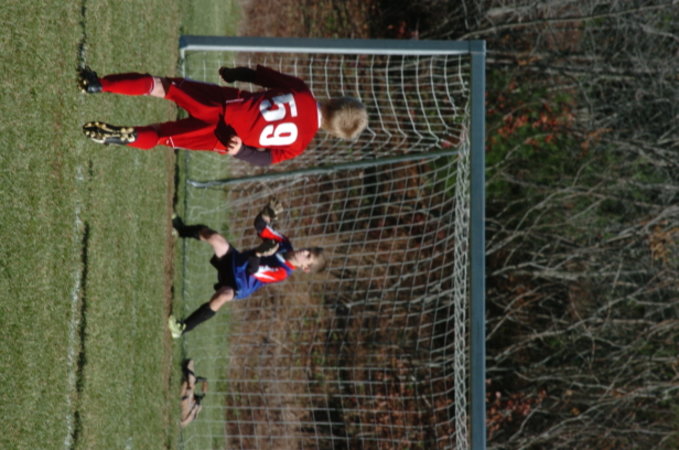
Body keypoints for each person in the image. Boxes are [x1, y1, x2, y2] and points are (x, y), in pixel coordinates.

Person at [78, 65, 368, 166]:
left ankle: (99, 84)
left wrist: (233, 73)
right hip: (225, 139)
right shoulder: (299, 145)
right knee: (163, 135)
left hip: (225, 105)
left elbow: (260, 76)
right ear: (334, 132)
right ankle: (130, 136)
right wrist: (240, 150)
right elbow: (265, 159)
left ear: (336, 100)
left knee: (161, 86)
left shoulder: (302, 92)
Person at [168, 199, 325, 338]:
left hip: (240, 284)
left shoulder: (282, 272)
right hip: (236, 261)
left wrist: (258, 253)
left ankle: (182, 328)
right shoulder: (284, 243)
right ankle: (180, 229)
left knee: (223, 295)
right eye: (308, 250)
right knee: (215, 238)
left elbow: (253, 271)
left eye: (308, 256)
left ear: (305, 268)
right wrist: (266, 214)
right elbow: (260, 226)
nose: (304, 252)